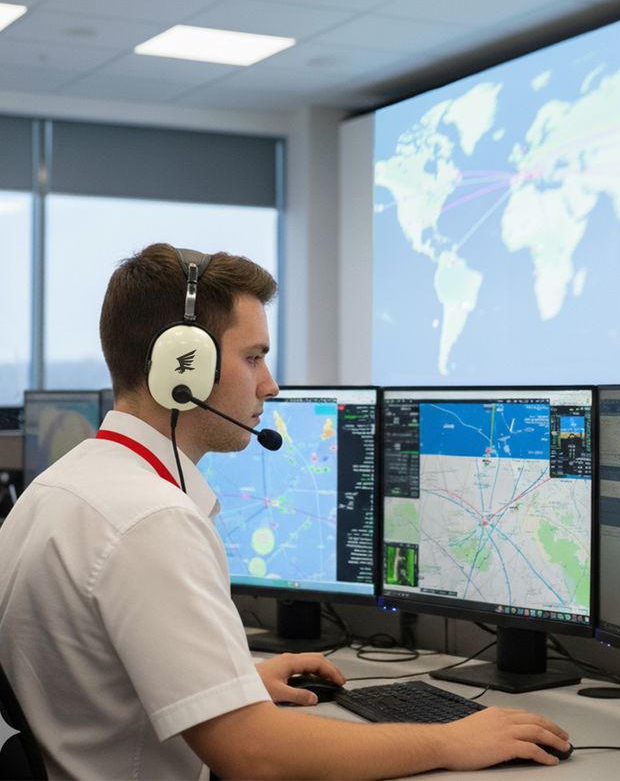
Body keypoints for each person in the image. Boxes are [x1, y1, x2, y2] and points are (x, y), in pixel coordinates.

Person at [0, 243, 571, 779]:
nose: (269, 386)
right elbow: (254, 754)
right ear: (183, 368)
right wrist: (450, 742)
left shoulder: (59, 489)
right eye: (253, 358)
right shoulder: (151, 521)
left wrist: (228, 684)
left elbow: (86, 680)